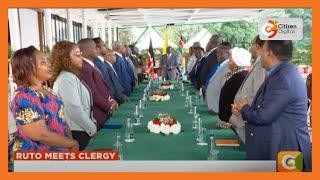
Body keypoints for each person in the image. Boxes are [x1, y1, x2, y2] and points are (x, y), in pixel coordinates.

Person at [233, 40, 312, 171]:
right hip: (279, 147)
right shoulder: (281, 73)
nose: (260, 56)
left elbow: (263, 116)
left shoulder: (284, 78)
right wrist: (244, 110)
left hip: (285, 151)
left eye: (262, 51)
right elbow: (267, 107)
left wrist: (244, 108)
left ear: (269, 53)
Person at [10, 46, 79, 152]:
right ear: (28, 67)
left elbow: (61, 119)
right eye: (43, 62)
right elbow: (40, 135)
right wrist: (71, 143)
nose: (49, 64)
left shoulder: (46, 90)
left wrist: (70, 143)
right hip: (37, 157)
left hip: (60, 152)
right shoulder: (24, 96)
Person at [51, 41, 97, 150]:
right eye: (77, 55)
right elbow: (74, 108)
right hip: (78, 131)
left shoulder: (70, 75)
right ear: (65, 58)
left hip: (81, 128)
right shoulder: (66, 77)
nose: (81, 58)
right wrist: (91, 128)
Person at [229, 36, 267, 143]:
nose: (250, 48)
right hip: (242, 115)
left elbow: (257, 95)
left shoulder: (261, 66)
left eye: (252, 44)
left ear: (257, 46)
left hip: (247, 119)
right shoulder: (258, 64)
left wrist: (242, 110)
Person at [78, 38, 118, 130]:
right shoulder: (85, 67)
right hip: (98, 113)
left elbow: (103, 88)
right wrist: (108, 105)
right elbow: (92, 93)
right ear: (85, 50)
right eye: (94, 47)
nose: (97, 49)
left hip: (103, 110)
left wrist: (110, 100)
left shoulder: (91, 64)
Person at [218, 47, 251, 127]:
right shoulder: (236, 74)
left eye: (231, 58)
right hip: (228, 120)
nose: (228, 60)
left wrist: (231, 120)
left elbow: (236, 100)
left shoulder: (241, 76)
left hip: (233, 123)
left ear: (238, 61)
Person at [92, 38, 128, 105]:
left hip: (113, 100)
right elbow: (104, 86)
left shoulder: (102, 63)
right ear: (97, 49)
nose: (106, 47)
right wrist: (111, 101)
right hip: (108, 103)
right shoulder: (97, 64)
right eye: (104, 45)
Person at [205, 43, 232, 114]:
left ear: (228, 55)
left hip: (218, 109)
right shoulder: (221, 66)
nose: (218, 55)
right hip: (213, 108)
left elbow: (223, 90)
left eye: (221, 53)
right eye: (217, 53)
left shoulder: (229, 68)